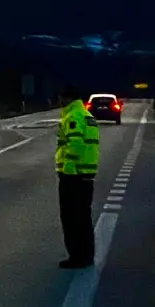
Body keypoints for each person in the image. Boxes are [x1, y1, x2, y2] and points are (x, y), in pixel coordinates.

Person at [55, 84, 99, 268]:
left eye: (61, 98)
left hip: (73, 177)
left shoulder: (73, 117)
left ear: (67, 99)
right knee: (83, 218)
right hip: (86, 175)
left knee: (71, 218)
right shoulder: (87, 116)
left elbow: (75, 146)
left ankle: (77, 256)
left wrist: (67, 171)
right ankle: (86, 255)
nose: (59, 102)